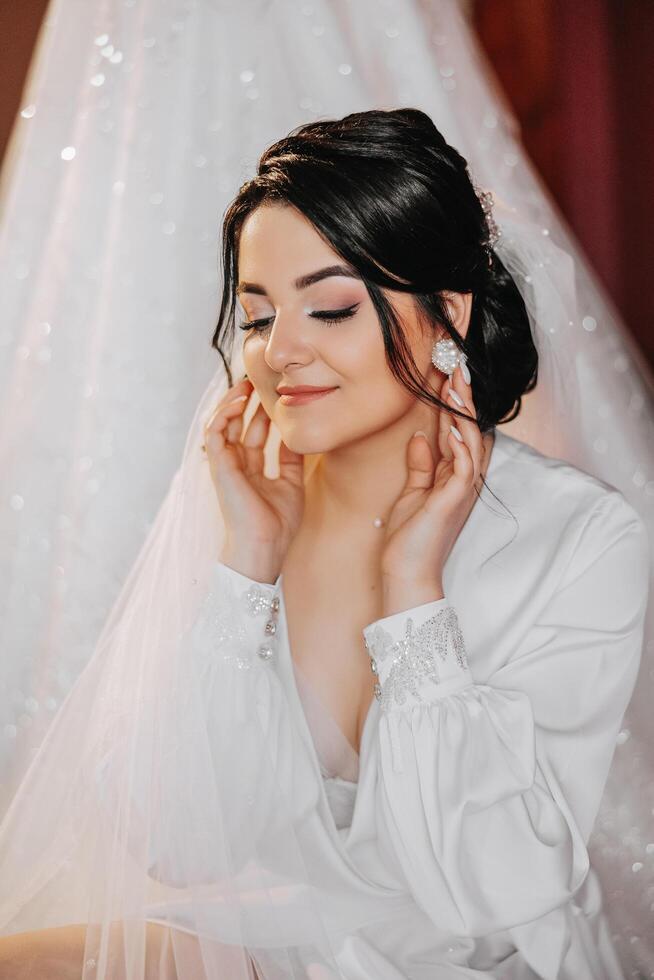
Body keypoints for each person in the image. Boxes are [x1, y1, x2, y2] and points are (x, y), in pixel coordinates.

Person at [0, 109, 649, 979]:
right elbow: (180, 848)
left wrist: (414, 591)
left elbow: (493, 894)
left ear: (446, 314)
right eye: (261, 318)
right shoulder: (256, 501)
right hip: (273, 934)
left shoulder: (583, 537)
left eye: (331, 307)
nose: (278, 353)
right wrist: (247, 567)